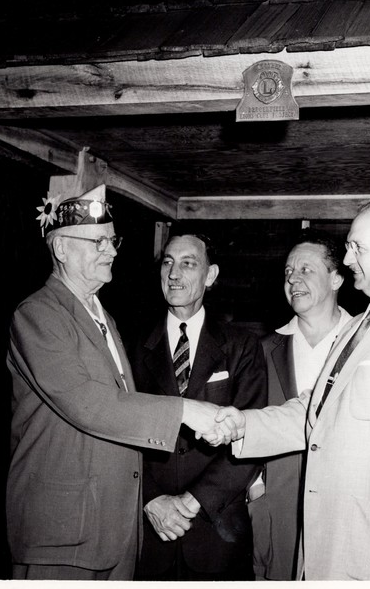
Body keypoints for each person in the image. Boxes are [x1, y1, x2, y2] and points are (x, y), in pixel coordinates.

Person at [213, 197, 370, 580]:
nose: (348, 259)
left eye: (358, 248)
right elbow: (314, 413)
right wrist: (243, 426)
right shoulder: (356, 328)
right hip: (328, 548)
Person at [6, 185, 224, 581]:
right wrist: (186, 410)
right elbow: (87, 402)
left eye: (112, 240)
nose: (113, 250)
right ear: (61, 250)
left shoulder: (103, 316)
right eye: (99, 242)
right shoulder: (39, 314)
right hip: (63, 531)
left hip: (114, 528)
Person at [129, 230, 268, 581]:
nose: (174, 274)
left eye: (188, 263)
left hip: (217, 533)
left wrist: (190, 503)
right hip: (150, 532)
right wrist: (152, 499)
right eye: (168, 263)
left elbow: (250, 441)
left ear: (211, 275)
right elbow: (117, 431)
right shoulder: (131, 346)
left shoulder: (242, 347)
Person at [249, 229, 352, 580]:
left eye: (306, 269)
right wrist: (256, 493)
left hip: (346, 517)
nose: (293, 278)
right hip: (280, 517)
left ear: (336, 278)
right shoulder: (262, 351)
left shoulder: (366, 345)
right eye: (289, 271)